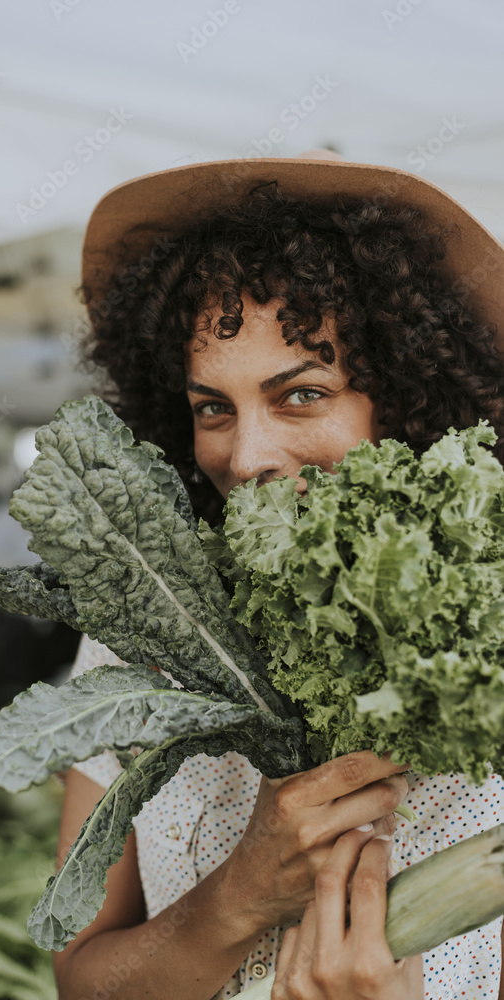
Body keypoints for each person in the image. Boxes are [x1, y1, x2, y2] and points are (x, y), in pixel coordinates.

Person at [52, 150, 504, 1000]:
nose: (246, 457)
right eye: (211, 408)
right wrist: (237, 898)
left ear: (412, 393)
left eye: (300, 394)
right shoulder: (144, 634)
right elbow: (81, 980)